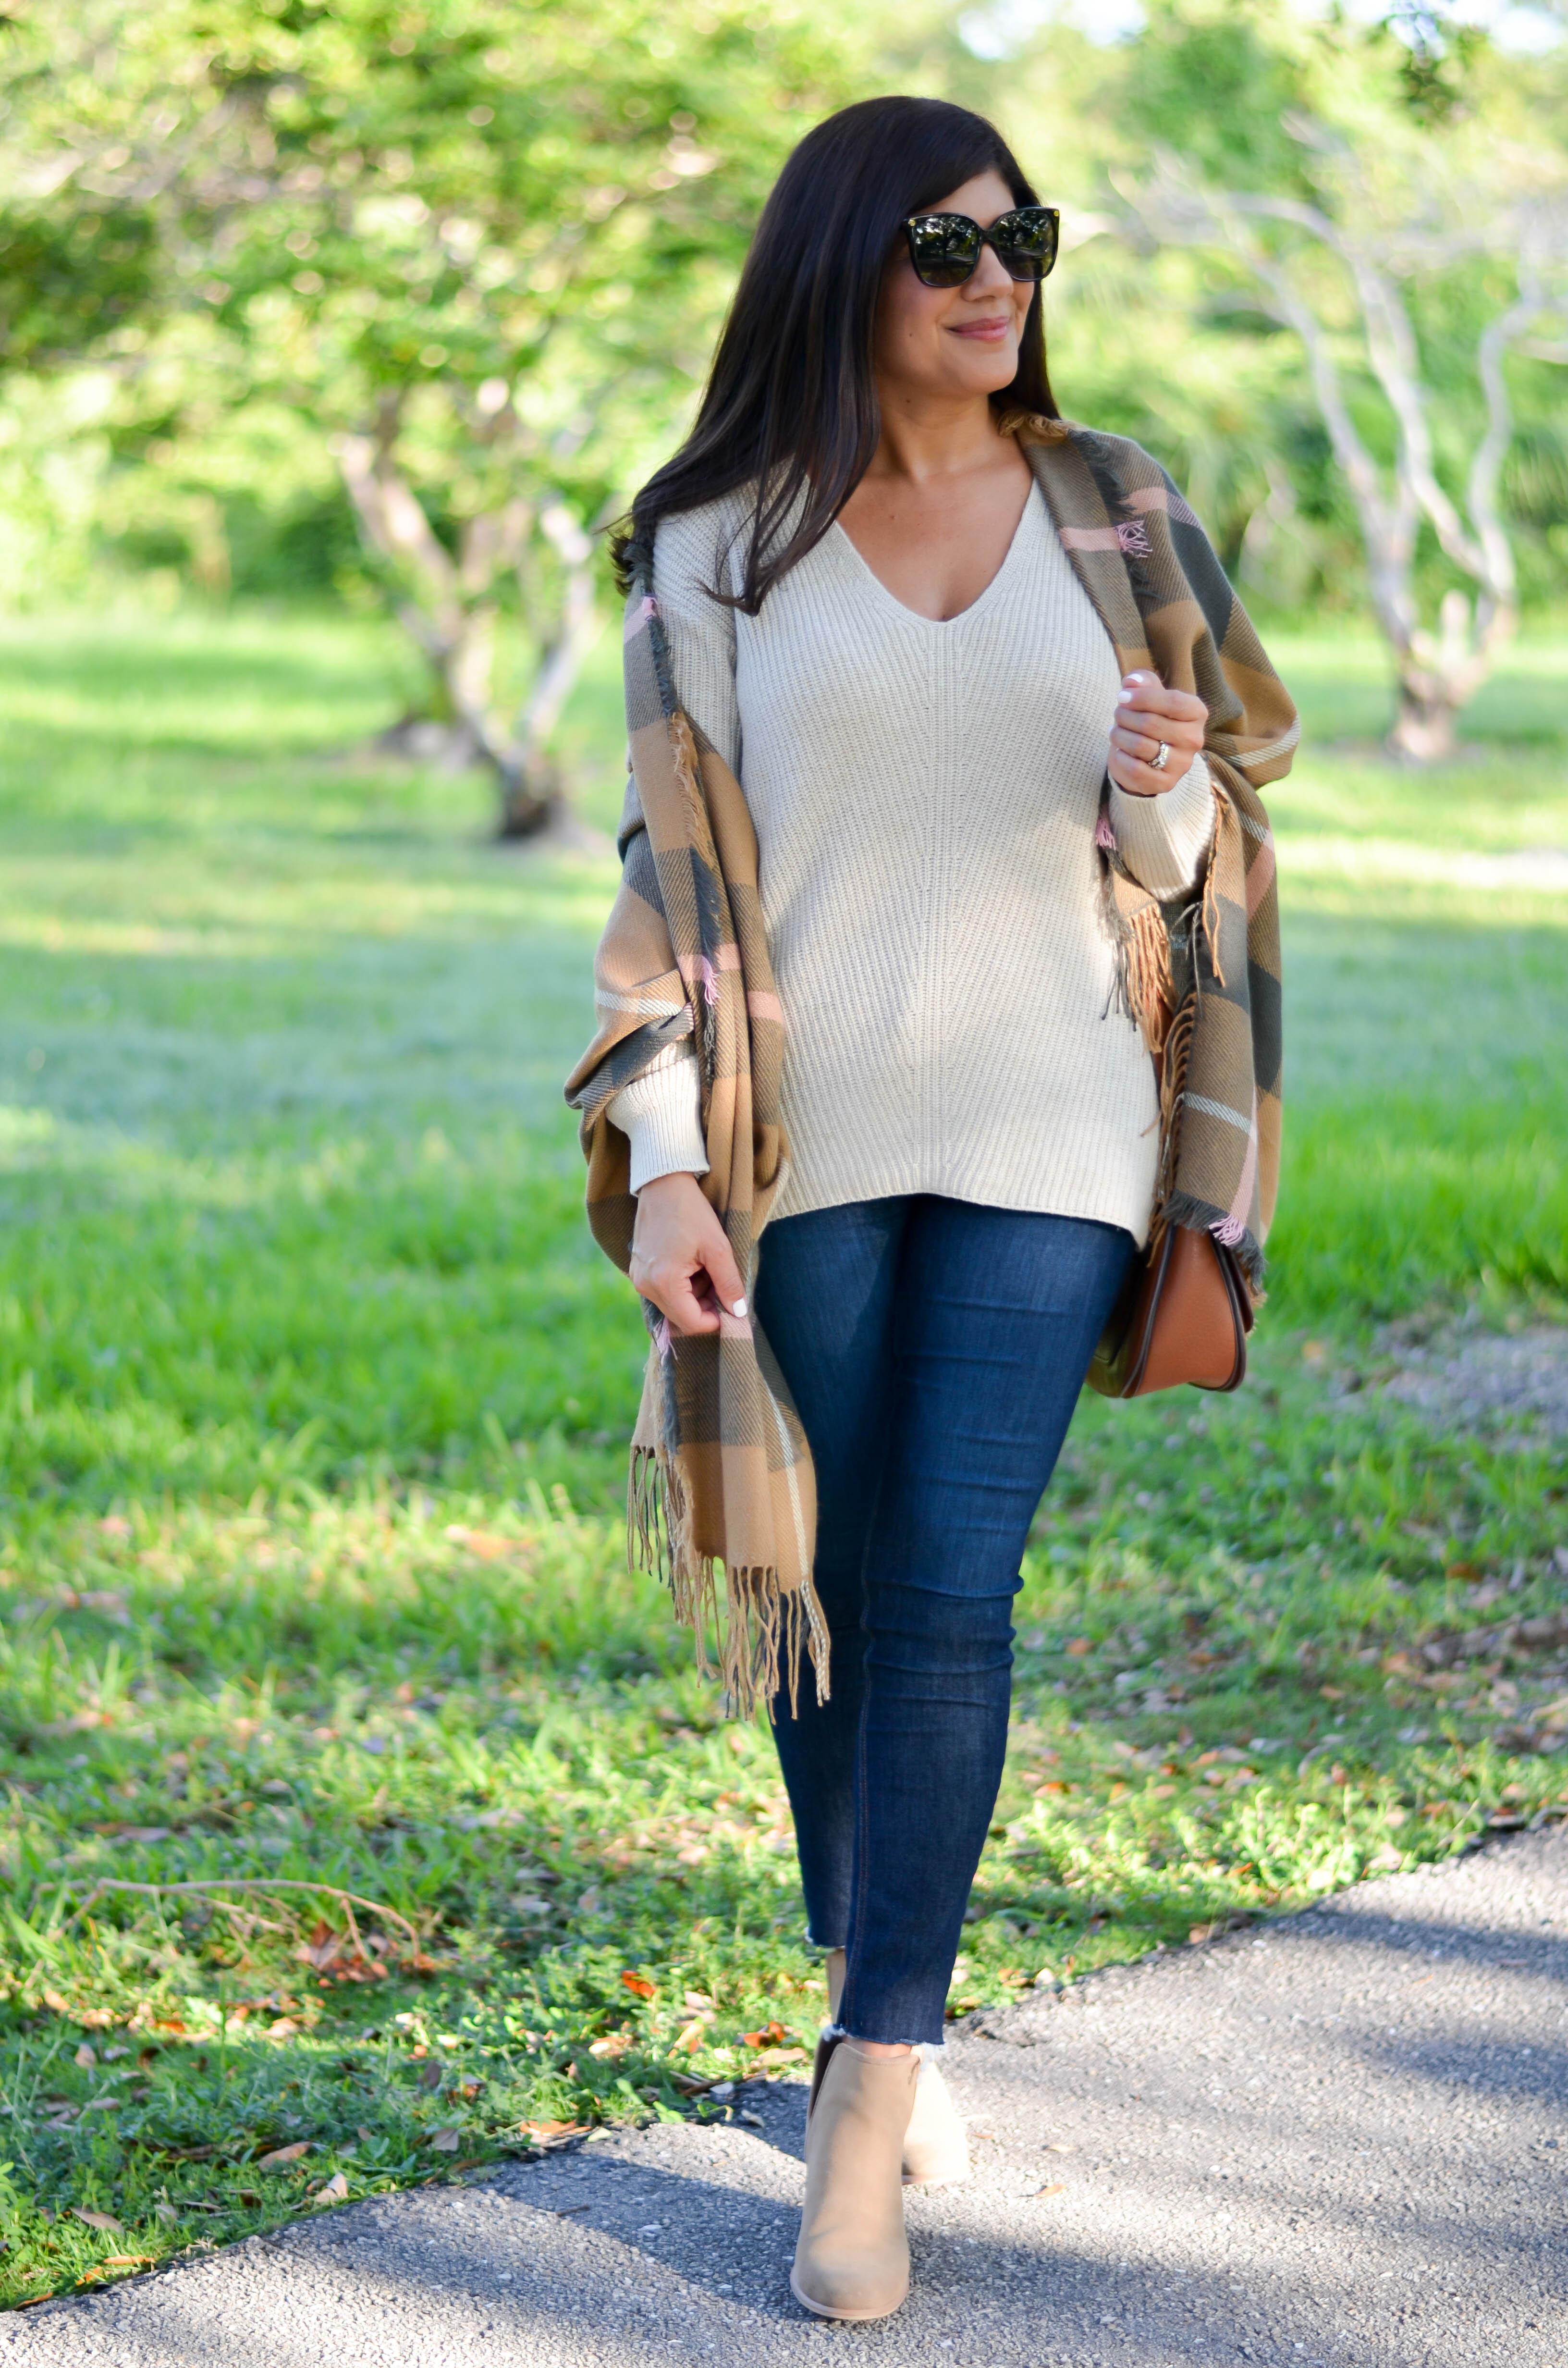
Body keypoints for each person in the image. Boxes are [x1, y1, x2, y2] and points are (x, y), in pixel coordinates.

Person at [566, 93, 1296, 2324]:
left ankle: (874, 2079)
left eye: (1023, 241)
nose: (1000, 282)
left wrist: (1158, 807)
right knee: (821, 1581)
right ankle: (869, 1970)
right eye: (948, 246)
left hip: (1059, 1139)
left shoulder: (1113, 509)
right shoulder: (717, 536)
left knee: (946, 1595)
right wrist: (668, 1155)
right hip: (803, 1147)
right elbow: (669, 880)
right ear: (844, 268)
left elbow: (1197, 869)